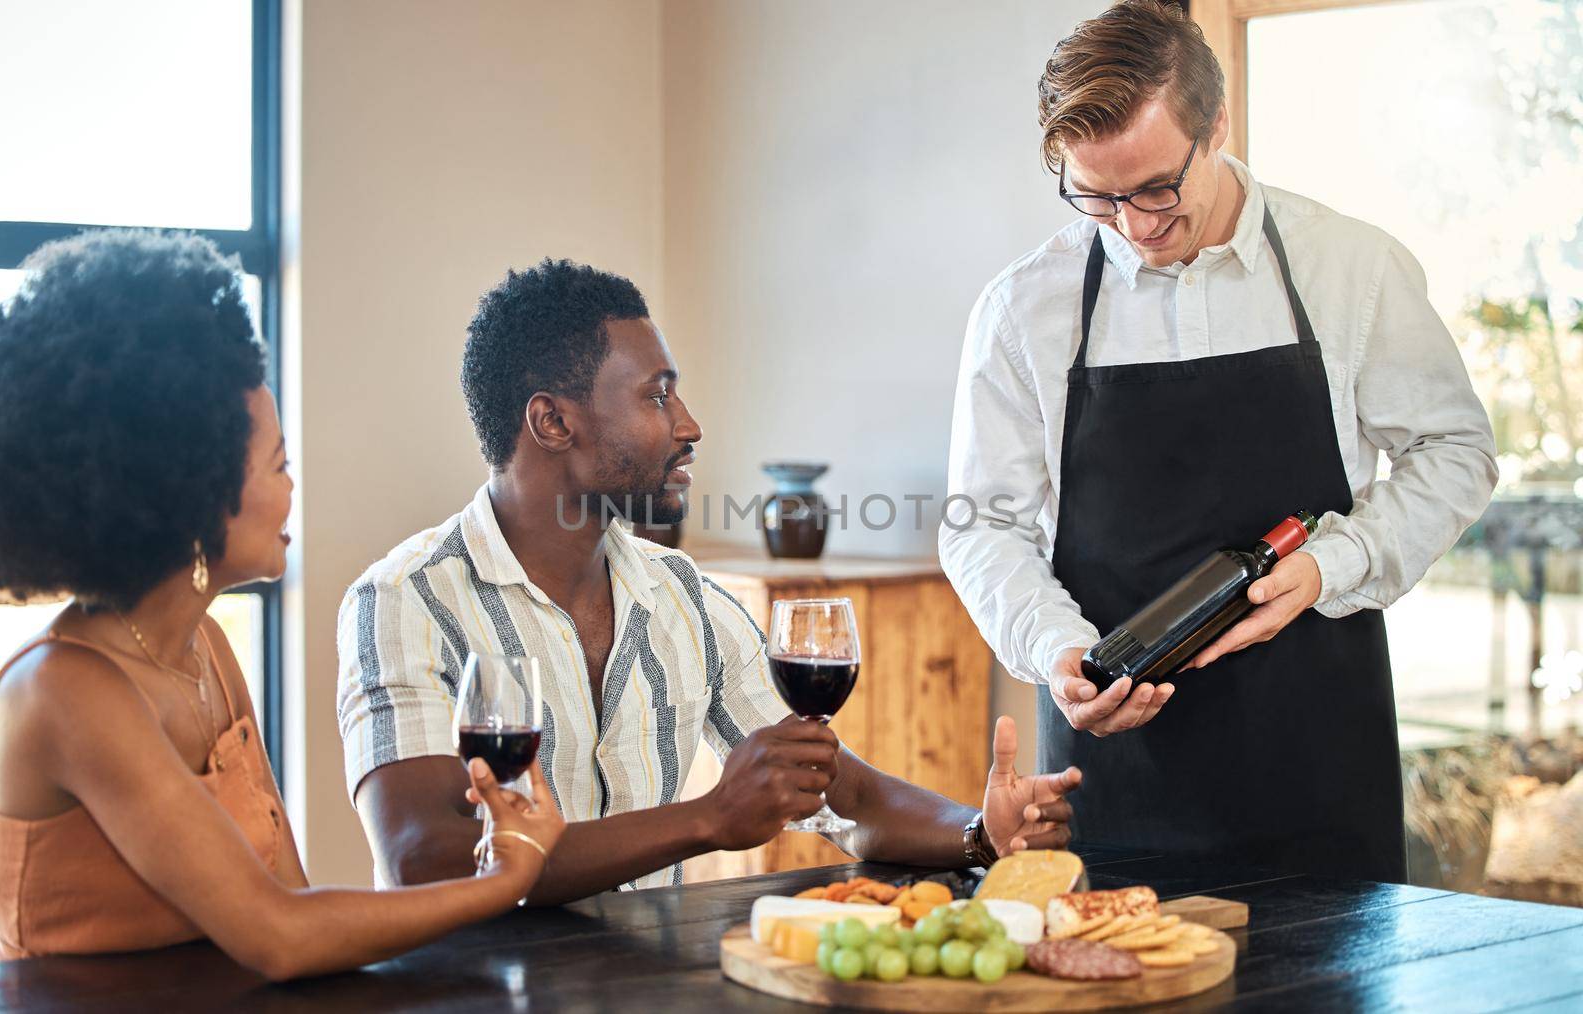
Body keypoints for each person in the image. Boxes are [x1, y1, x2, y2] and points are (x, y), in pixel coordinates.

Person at [938, 0, 1496, 883]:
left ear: (1219, 126)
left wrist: (1335, 562)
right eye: (1096, 195)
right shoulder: (1023, 308)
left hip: (1318, 768)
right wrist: (1057, 649)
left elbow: (1454, 452)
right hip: (1114, 779)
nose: (1133, 225)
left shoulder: (1349, 267)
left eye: (1158, 187)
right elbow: (982, 524)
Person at [338, 258, 1079, 900]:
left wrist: (980, 830)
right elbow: (425, 861)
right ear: (553, 422)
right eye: (657, 395)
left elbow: (842, 796)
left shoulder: (682, 595)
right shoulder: (408, 601)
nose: (689, 424)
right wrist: (706, 819)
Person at [0, 230, 564, 976]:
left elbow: (290, 899)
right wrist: (506, 878)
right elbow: (281, 934)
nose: (293, 488)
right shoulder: (64, 690)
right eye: (279, 464)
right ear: (191, 493)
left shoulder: (203, 653)